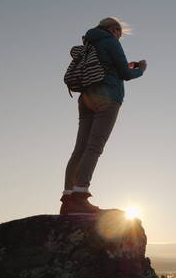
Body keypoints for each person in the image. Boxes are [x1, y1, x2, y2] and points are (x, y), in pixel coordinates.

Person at [60, 17, 147, 215]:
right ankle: (80, 195)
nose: (119, 37)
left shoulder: (90, 43)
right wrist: (140, 70)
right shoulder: (110, 42)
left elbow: (108, 67)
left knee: (80, 148)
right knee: (94, 147)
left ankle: (68, 198)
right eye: (119, 33)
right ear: (114, 29)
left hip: (86, 98)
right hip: (108, 98)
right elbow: (125, 73)